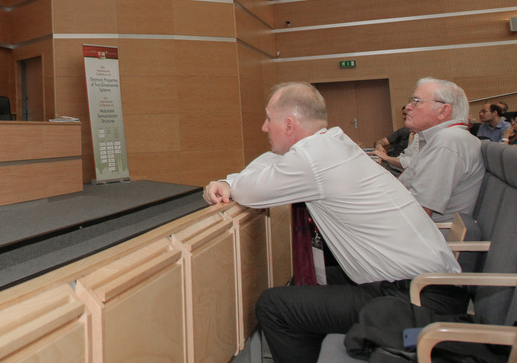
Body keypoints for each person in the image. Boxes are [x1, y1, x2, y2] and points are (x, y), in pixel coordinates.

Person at [203, 82, 465, 363]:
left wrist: (228, 183)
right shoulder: (333, 144)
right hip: (430, 287)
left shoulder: (313, 159)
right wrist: (230, 182)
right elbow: (272, 161)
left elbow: (252, 191)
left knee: (274, 306)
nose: (264, 128)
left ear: (289, 125)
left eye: (269, 119)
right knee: (303, 283)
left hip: (417, 299)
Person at [399, 78, 485, 222]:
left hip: (427, 231)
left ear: (443, 111)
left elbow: (419, 213)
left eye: (416, 101)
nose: (408, 107)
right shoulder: (444, 138)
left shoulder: (448, 141)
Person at [371, 105, 412, 173]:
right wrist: (378, 145)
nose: (404, 117)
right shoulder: (404, 131)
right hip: (393, 167)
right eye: (403, 114)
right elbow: (380, 141)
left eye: (406, 114)